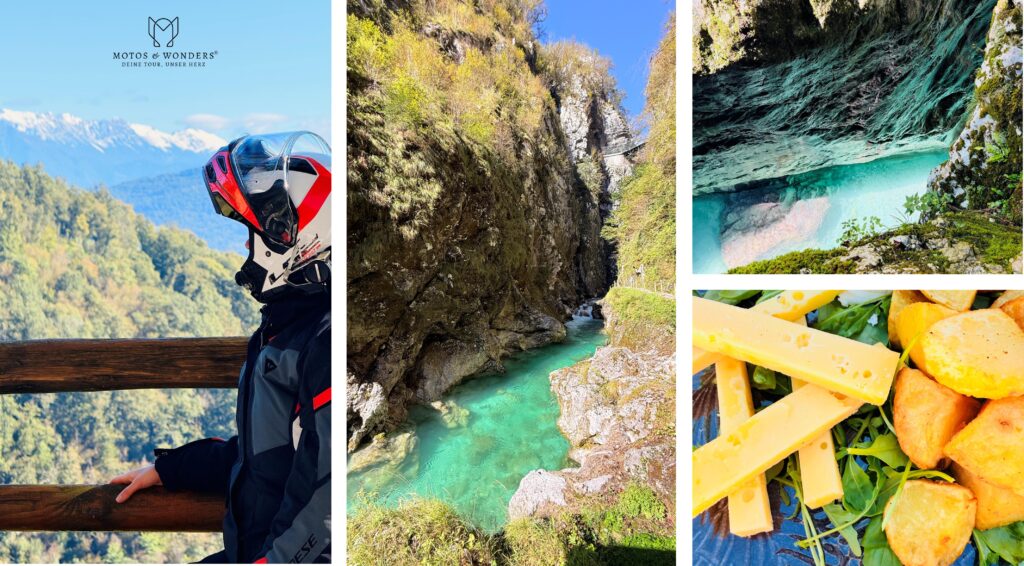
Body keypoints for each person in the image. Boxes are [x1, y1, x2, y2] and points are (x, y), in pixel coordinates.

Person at [110, 132, 333, 564]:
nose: (245, 247)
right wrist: (169, 470)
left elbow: (324, 495)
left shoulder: (319, 341)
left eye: (252, 236)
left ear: (291, 243)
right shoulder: (282, 329)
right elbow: (261, 455)